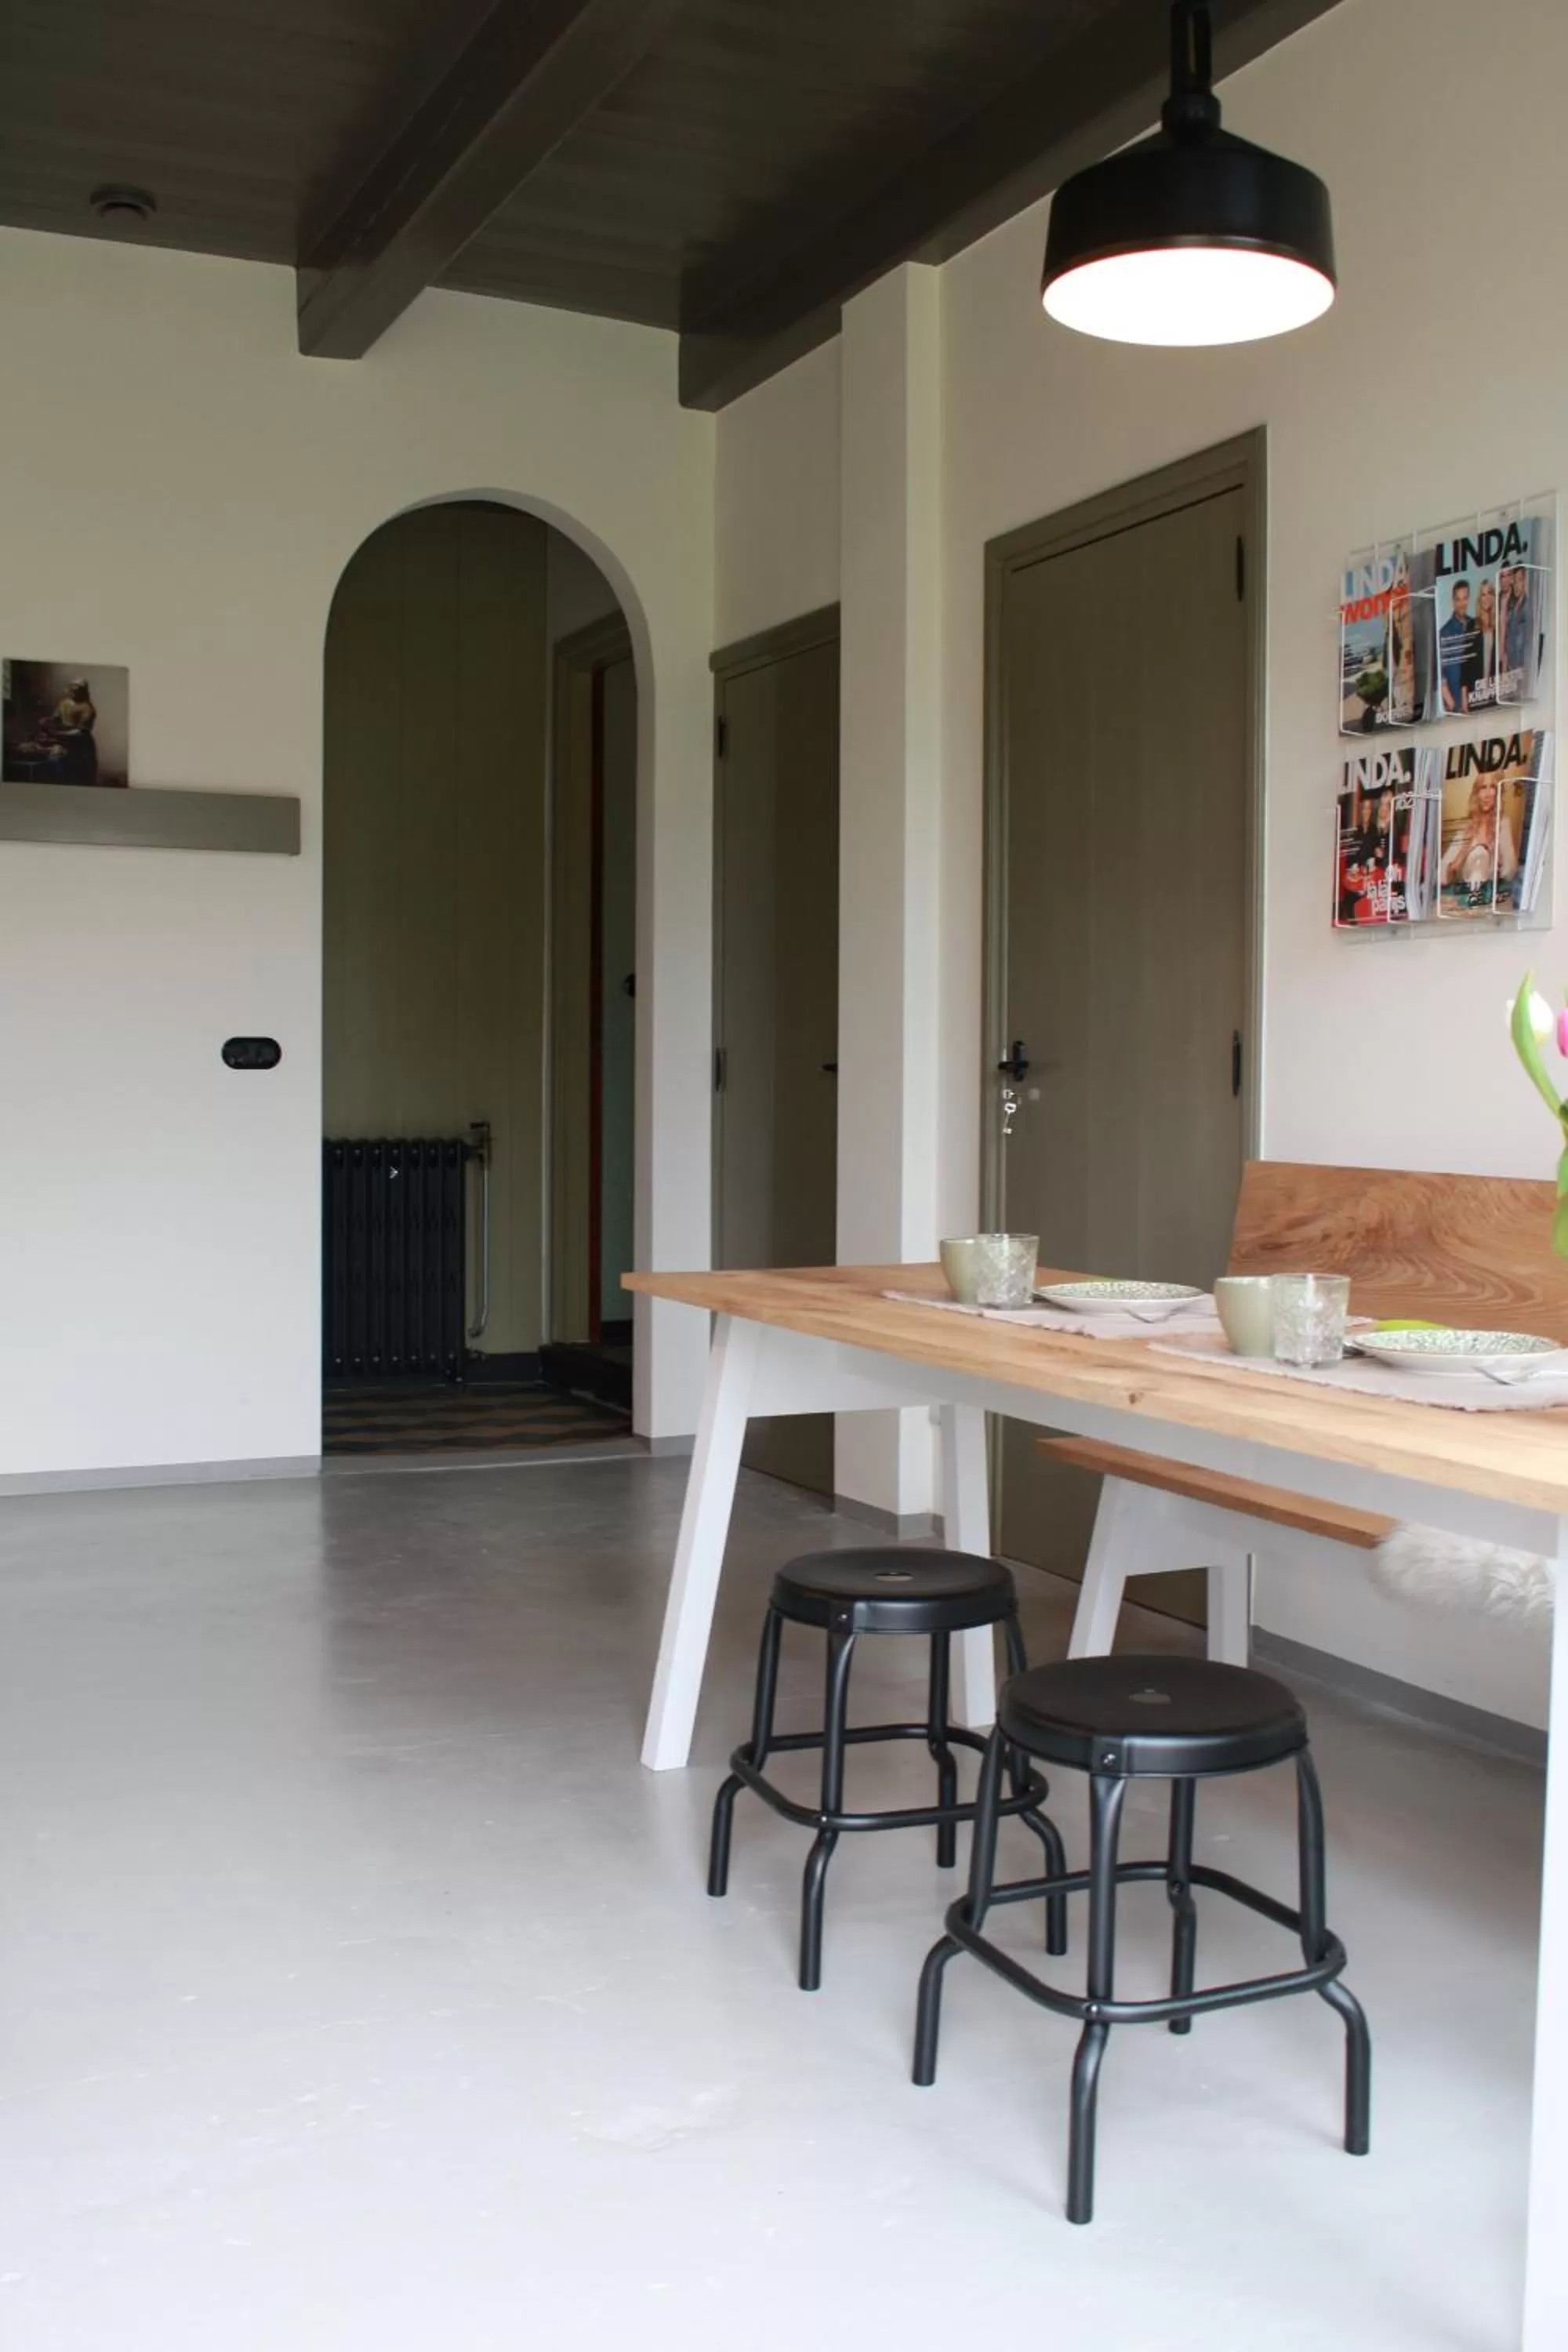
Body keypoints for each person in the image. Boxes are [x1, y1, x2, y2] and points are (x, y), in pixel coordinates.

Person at [1439, 775, 1517, 906]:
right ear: (1477, 794)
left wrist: (1498, 856)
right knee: (1478, 853)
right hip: (1467, 898)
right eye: (1483, 788)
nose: (1487, 794)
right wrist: (1463, 854)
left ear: (1498, 793)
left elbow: (1510, 871)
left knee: (1482, 854)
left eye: (1492, 787)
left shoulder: (1503, 824)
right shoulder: (1466, 827)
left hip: (1492, 901)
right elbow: (1442, 875)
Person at [1439, 579, 1481, 713]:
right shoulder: (1444, 633)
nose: (1462, 604)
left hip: (1477, 701)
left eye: (1465, 599)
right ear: (1453, 601)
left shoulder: (1476, 625)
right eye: (1458, 599)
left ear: (1469, 599)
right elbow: (1441, 674)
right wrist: (1452, 705)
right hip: (1457, 706)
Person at [1501, 562, 1534, 691]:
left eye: (1519, 580)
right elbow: (1508, 637)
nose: (1516, 585)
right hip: (1512, 668)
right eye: (1514, 582)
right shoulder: (1511, 608)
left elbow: (1528, 640)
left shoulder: (1528, 606)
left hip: (1523, 669)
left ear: (1526, 581)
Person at [1473, 575, 1498, 704]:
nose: (1487, 598)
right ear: (1479, 599)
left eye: (1490, 593)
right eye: (1483, 594)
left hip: (1495, 692)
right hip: (1476, 693)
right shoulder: (1472, 626)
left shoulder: (1498, 626)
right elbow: (1467, 667)